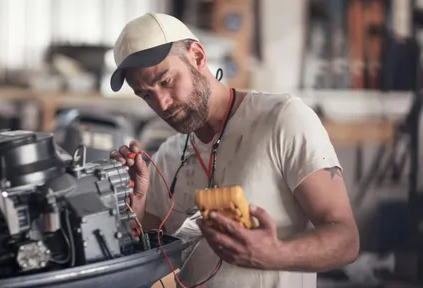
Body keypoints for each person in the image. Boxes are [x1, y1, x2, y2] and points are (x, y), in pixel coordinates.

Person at [109, 12, 360, 288]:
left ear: (197, 56)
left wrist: (274, 254)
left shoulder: (282, 119)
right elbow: (153, 259)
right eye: (145, 94)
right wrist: (137, 205)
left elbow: (346, 240)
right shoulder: (167, 158)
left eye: (165, 81)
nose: (162, 104)